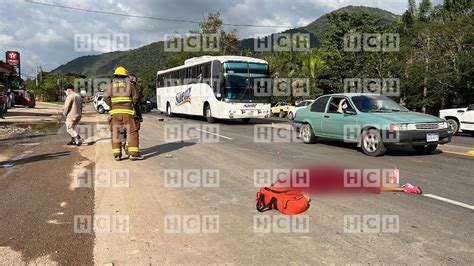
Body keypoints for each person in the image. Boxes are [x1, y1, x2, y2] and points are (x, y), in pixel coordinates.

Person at [104, 67, 142, 161]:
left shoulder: (110, 87)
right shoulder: (130, 86)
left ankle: (117, 155)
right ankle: (133, 154)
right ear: (125, 76)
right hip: (128, 114)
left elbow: (106, 98)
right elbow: (136, 99)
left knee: (116, 133)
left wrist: (112, 105)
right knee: (132, 132)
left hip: (115, 115)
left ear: (115, 76)